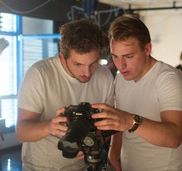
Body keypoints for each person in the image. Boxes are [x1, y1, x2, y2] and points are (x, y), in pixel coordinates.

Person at [91, 14, 182, 171]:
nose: (120, 64)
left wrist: (130, 121)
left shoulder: (169, 79)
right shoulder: (121, 79)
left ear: (147, 49)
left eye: (128, 56)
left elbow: (174, 137)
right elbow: (121, 123)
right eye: (115, 56)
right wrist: (113, 155)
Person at [15, 19, 115, 171]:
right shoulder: (39, 74)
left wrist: (95, 141)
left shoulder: (104, 75)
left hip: (83, 166)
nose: (87, 73)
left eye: (94, 63)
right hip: (41, 167)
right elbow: (22, 132)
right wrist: (48, 127)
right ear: (62, 57)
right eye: (78, 64)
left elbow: (107, 126)